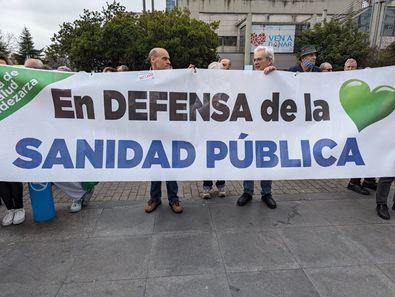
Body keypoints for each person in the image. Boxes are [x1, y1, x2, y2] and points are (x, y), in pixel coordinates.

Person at [24, 59, 96, 212]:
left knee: (66, 167)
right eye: (26, 68)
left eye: (30, 68)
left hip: (63, 134)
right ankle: (79, 193)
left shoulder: (55, 86)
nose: (27, 71)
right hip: (38, 136)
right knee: (50, 171)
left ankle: (78, 195)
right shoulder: (24, 89)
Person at [237, 46, 276, 209]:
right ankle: (247, 191)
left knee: (266, 161)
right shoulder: (249, 78)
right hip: (250, 127)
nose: (255, 62)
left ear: (270, 60)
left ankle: (266, 193)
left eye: (259, 59)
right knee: (249, 159)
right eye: (254, 59)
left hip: (268, 128)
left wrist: (276, 73)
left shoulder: (276, 77)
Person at [144, 48, 183, 214]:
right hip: (151, 132)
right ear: (153, 61)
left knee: (170, 166)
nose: (169, 62)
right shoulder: (140, 79)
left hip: (170, 131)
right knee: (155, 167)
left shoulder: (175, 78)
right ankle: (155, 199)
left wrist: (191, 75)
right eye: (165, 59)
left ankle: (174, 199)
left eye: (169, 59)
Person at [343, 58, 377, 195]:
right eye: (348, 67)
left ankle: (369, 180)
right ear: (344, 68)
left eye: (353, 67)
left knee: (369, 150)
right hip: (349, 125)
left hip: (364, 123)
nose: (351, 70)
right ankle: (354, 182)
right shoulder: (336, 81)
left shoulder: (360, 83)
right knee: (358, 152)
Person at [202, 61, 227, 199]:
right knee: (208, 159)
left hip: (222, 130)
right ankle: (207, 186)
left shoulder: (227, 89)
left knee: (221, 158)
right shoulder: (204, 90)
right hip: (207, 130)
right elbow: (197, 108)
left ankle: (221, 185)